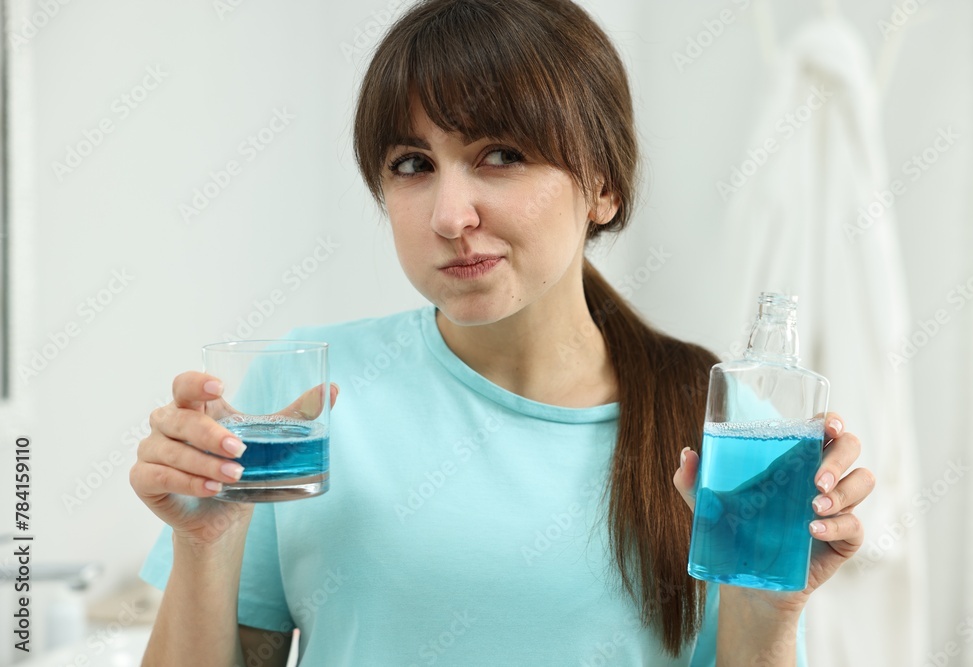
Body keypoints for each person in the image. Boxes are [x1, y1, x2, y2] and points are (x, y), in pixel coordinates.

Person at [130, 0, 875, 665]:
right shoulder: (296, 404)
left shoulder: (723, 429)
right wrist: (205, 549)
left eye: (501, 155)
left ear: (605, 187)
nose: (450, 216)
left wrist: (770, 614)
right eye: (413, 164)